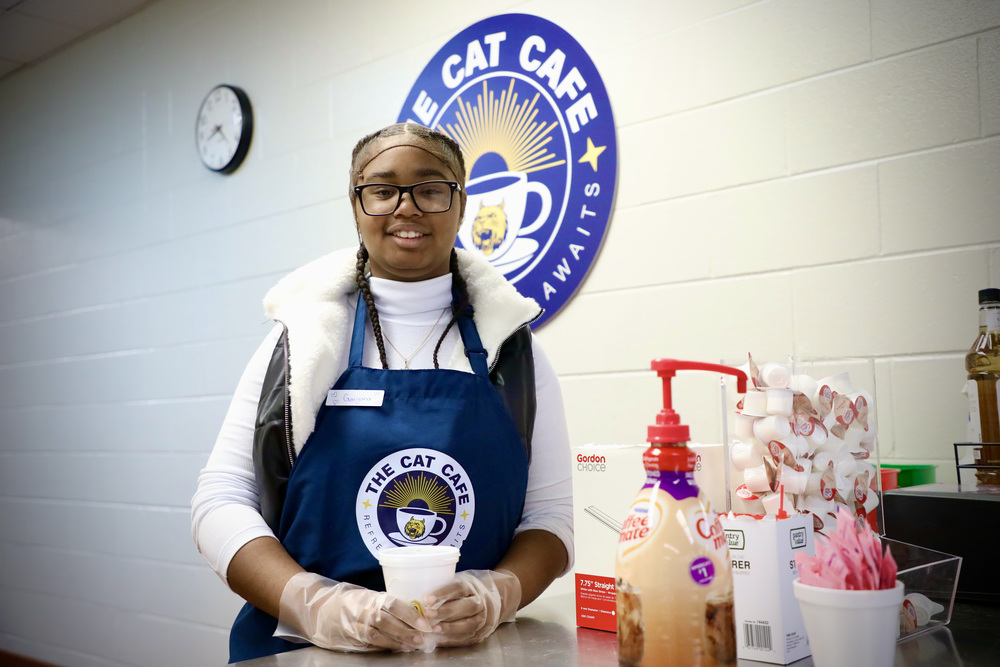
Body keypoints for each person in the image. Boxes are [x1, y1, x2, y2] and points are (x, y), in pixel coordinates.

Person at [190, 122, 574, 663]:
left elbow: (550, 518)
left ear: (460, 205)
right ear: (356, 205)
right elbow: (219, 501)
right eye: (382, 189)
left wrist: (499, 592)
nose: (407, 206)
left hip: (463, 654)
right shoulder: (300, 343)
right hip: (306, 652)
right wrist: (314, 604)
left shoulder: (513, 351)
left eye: (431, 188)